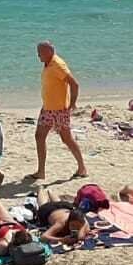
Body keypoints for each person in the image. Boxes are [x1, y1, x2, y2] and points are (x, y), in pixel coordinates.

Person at [30, 40, 87, 181]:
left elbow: (74, 84)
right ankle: (41, 171)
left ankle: (82, 168)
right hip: (47, 108)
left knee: (66, 138)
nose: (38, 56)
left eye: (40, 53)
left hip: (59, 110)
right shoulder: (48, 63)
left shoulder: (58, 65)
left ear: (48, 52)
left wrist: (72, 103)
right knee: (39, 136)